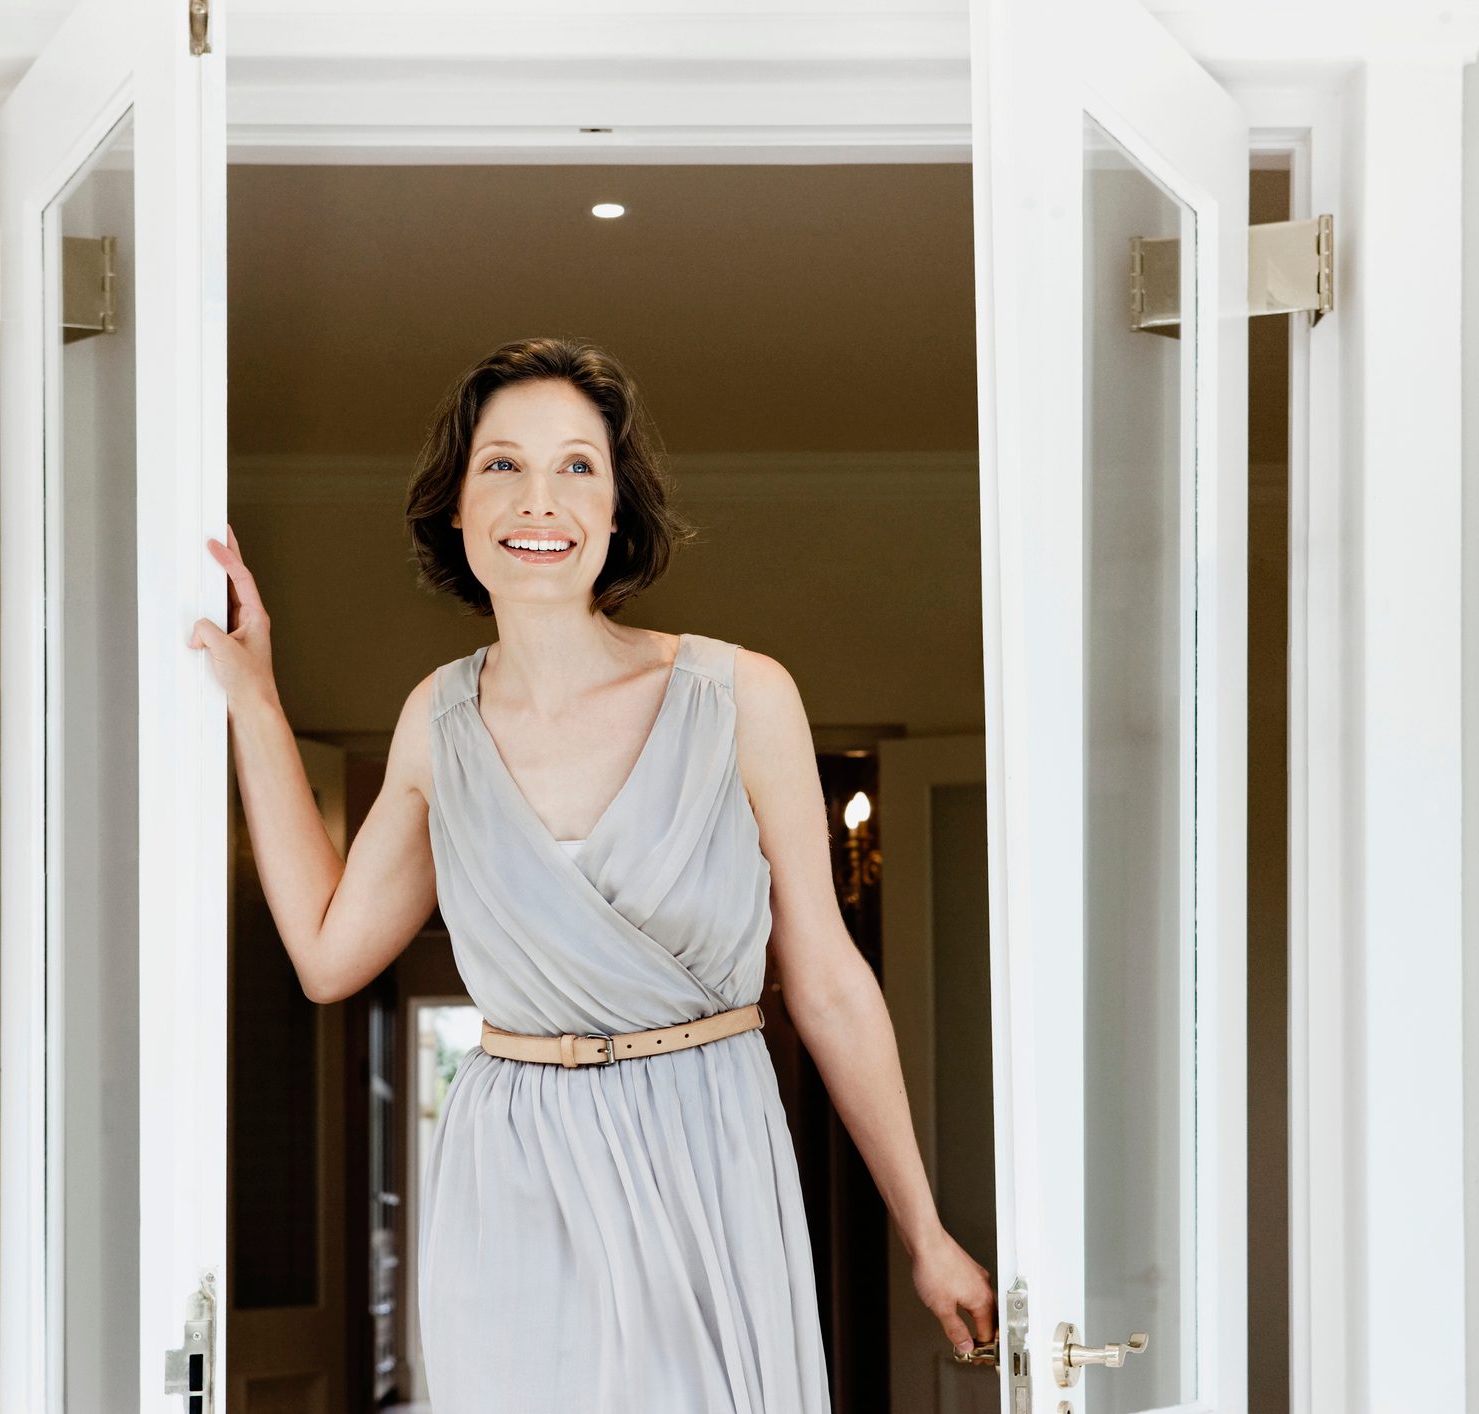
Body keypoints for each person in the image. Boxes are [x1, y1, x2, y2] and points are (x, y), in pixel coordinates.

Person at [190, 335, 995, 1409]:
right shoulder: (439, 720)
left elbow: (829, 980)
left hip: (707, 1140)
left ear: (618, 512)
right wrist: (255, 701)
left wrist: (925, 1231)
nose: (541, 499)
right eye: (502, 465)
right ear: (458, 509)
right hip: (511, 1169)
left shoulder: (740, 697)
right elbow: (330, 954)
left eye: (578, 466)